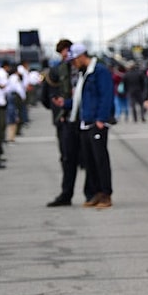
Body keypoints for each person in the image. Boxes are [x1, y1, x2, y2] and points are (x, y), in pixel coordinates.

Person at [58, 43, 115, 209]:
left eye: (74, 60)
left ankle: (106, 193)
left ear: (81, 56)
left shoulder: (99, 71)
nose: (72, 64)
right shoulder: (84, 73)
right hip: (85, 121)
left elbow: (106, 95)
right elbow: (80, 99)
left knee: (100, 159)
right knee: (90, 161)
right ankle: (96, 191)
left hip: (96, 122)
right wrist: (66, 104)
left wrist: (101, 118)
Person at [47, 39, 87, 207]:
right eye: (62, 52)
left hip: (85, 117)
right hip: (67, 118)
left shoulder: (87, 69)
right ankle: (66, 194)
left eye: (67, 51)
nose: (65, 55)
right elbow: (49, 93)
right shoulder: (58, 70)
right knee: (67, 158)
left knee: (87, 158)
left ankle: (92, 193)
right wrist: (59, 112)